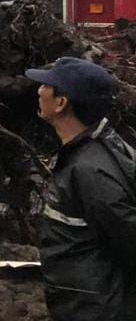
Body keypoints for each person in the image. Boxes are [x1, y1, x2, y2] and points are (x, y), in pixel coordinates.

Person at [26, 57, 136, 320]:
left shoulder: (90, 171)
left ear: (61, 103)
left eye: (46, 86)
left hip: (95, 309)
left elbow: (128, 242)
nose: (39, 90)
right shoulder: (98, 147)